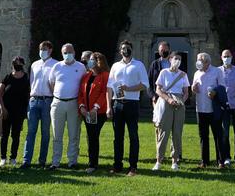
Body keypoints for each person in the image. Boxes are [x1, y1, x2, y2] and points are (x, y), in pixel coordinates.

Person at [106, 40, 149, 176]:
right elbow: (109, 87)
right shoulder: (115, 66)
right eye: (123, 48)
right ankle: (117, 165)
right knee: (118, 137)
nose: (125, 50)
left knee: (133, 136)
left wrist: (129, 88)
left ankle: (133, 167)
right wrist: (109, 106)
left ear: (132, 49)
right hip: (117, 103)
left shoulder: (138, 65)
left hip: (132, 103)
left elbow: (144, 85)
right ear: (120, 51)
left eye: (128, 48)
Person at [47, 43, 86, 170]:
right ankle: (55, 162)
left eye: (69, 52)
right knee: (57, 135)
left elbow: (83, 85)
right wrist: (58, 94)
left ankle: (72, 161)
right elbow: (51, 83)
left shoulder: (80, 67)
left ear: (74, 52)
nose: (67, 54)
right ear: (62, 53)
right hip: (58, 103)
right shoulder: (57, 66)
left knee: (73, 134)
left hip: (73, 103)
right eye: (65, 52)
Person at [20, 40, 58, 169]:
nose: (42, 51)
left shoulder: (56, 64)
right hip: (34, 100)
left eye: (45, 49)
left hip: (48, 100)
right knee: (30, 131)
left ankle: (42, 160)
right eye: (41, 49)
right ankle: (26, 160)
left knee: (45, 132)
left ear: (50, 50)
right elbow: (32, 82)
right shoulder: (34, 65)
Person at [153, 51, 190, 171]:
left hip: (179, 103)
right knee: (163, 131)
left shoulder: (183, 75)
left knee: (177, 132)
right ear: (170, 59)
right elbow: (158, 90)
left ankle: (175, 160)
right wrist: (168, 99)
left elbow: (186, 93)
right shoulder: (164, 72)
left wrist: (181, 101)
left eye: (179, 59)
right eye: (175, 58)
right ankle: (159, 160)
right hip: (166, 101)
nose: (177, 61)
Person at [191, 52, 226, 169]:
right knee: (203, 136)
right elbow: (194, 88)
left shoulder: (217, 71)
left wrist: (215, 92)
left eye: (201, 60)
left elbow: (222, 87)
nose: (199, 62)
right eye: (198, 60)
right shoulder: (196, 73)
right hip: (200, 108)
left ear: (207, 62)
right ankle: (204, 161)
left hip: (214, 108)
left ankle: (221, 161)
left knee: (218, 135)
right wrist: (193, 88)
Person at [78, 52, 110, 174]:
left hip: (98, 112)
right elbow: (81, 93)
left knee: (93, 136)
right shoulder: (86, 76)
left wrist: (95, 108)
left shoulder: (105, 75)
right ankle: (92, 162)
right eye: (89, 59)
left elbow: (104, 93)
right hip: (86, 112)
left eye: (92, 59)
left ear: (99, 62)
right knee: (90, 136)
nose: (89, 62)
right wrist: (81, 106)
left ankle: (93, 164)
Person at [0, 56, 30, 167]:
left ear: (23, 64)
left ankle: (13, 158)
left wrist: (25, 112)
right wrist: (2, 107)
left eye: (19, 62)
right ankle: (3, 158)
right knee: (4, 135)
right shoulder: (8, 77)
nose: (17, 64)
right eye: (15, 63)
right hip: (6, 110)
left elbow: (28, 95)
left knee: (15, 135)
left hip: (19, 112)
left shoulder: (26, 78)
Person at [147, 41, 171, 107]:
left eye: (165, 49)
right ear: (159, 51)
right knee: (158, 117)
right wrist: (152, 96)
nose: (163, 51)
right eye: (161, 50)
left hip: (172, 96)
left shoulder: (174, 64)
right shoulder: (154, 64)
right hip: (158, 96)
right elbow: (148, 82)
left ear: (169, 50)